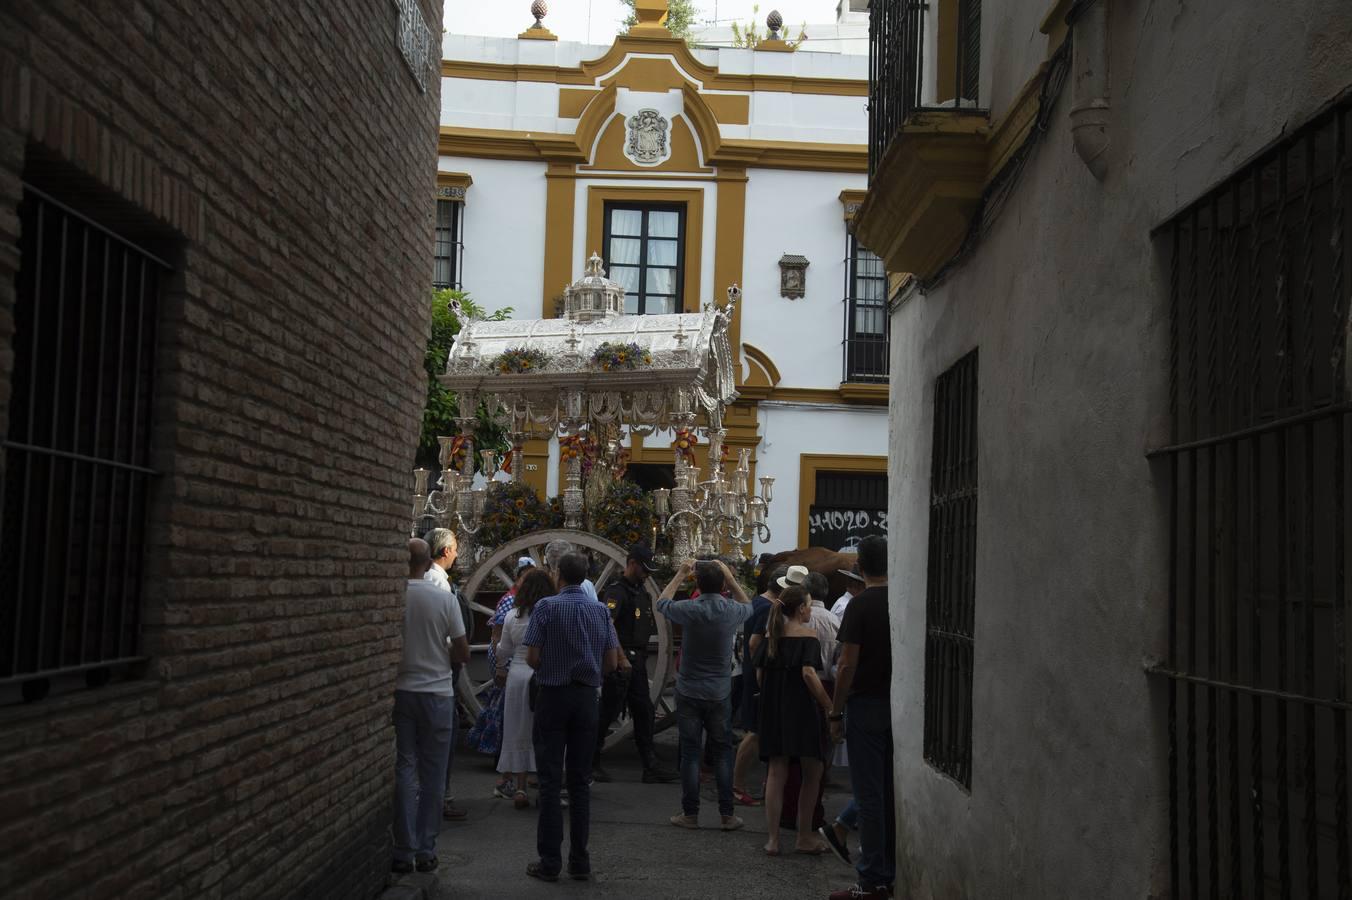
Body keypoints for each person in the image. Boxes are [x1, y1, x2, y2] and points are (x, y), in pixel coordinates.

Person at [522, 552, 620, 882]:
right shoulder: (599, 611)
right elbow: (611, 662)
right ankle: (580, 861)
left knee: (550, 781)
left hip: (553, 695)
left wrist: (551, 667)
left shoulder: (546, 608)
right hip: (585, 699)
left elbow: (532, 656)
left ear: (558, 574)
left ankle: (550, 861)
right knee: (579, 783)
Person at [391, 538, 470, 875]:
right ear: (428, 562)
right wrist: (444, 654)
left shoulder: (394, 599)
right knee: (433, 775)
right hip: (437, 693)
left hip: (402, 690)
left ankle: (402, 849)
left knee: (405, 768)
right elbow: (464, 653)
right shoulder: (444, 598)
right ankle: (425, 850)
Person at [656, 559, 753, 832]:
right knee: (722, 753)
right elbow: (749, 605)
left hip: (688, 689)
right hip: (719, 691)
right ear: (722, 584)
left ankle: (690, 814)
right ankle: (727, 815)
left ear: (697, 584)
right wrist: (730, 579)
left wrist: (680, 574)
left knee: (690, 753)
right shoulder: (731, 610)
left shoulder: (689, 609)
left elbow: (662, 603)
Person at [827, 535, 894, 900]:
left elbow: (846, 664)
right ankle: (888, 871)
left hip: (866, 704)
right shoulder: (900, 600)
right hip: (897, 704)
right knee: (887, 792)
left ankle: (871, 881)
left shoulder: (860, 605)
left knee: (868, 796)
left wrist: (836, 711)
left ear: (860, 568)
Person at [754, 585, 833, 857]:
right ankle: (803, 836)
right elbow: (810, 674)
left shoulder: (771, 636)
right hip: (801, 710)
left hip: (773, 709)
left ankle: (773, 840)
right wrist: (829, 706)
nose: (811, 609)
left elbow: (760, 678)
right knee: (813, 772)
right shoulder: (808, 637)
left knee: (776, 772)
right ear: (801, 609)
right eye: (809, 604)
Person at [593, 543, 678, 784]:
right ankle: (591, 760)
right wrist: (619, 658)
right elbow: (606, 627)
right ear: (632, 564)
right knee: (607, 712)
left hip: (637, 660)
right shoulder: (616, 592)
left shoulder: (642, 592)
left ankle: (650, 764)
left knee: (644, 711)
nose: (647, 574)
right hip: (621, 661)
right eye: (644, 569)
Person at [775, 570, 839, 834]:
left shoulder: (783, 623)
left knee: (787, 759)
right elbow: (834, 662)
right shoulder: (834, 620)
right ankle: (812, 817)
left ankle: (786, 815)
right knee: (817, 758)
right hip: (824, 686)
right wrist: (830, 706)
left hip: (790, 689)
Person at [468, 557, 536, 797]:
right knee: (527, 727)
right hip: (534, 673)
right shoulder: (539, 612)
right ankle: (523, 783)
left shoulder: (513, 613)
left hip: (515, 670)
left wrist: (500, 667)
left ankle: (510, 782)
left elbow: (501, 645)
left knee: (513, 726)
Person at [495, 569, 554, 810]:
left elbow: (503, 652)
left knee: (517, 728)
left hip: (518, 675)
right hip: (543, 675)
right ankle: (544, 782)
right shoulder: (551, 615)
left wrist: (498, 652)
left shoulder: (512, 617)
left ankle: (520, 787)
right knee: (543, 730)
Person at [733, 565, 786, 806]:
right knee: (755, 733)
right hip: (758, 675)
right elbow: (755, 644)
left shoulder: (756, 602)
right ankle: (737, 785)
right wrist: (760, 674)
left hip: (749, 671)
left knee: (755, 731)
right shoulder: (768, 608)